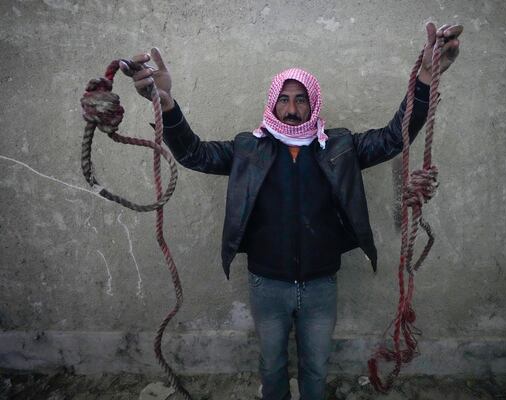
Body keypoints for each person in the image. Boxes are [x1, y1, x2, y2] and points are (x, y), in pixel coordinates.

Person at [120, 22, 462, 400]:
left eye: (301, 99)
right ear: (272, 103)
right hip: (267, 284)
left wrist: (427, 78)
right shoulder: (248, 149)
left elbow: (393, 137)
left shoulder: (339, 147)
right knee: (273, 366)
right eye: (284, 99)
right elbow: (193, 154)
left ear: (313, 103)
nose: (292, 109)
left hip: (321, 285)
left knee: (316, 367)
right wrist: (165, 104)